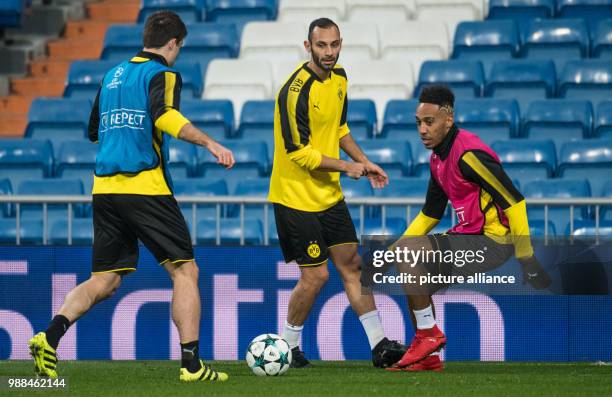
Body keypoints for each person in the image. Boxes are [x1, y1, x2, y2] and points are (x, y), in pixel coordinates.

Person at [28, 11, 235, 382]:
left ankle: (50, 335)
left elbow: (95, 130)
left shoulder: (112, 76)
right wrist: (209, 142)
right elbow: (164, 116)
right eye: (179, 48)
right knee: (185, 271)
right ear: (173, 43)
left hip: (105, 189)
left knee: (105, 280)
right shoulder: (164, 74)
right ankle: (192, 366)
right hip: (144, 186)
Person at [268, 17, 406, 369]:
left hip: (329, 197)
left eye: (334, 45)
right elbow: (299, 153)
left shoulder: (340, 78)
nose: (328, 52)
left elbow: (340, 129)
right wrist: (347, 168)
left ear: (340, 43)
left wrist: (365, 161)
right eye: (321, 45)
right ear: (308, 46)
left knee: (353, 267)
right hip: (295, 199)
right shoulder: (294, 91)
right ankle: (287, 347)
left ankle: (378, 346)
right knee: (316, 276)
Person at [384, 85, 550, 372]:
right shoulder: (437, 157)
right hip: (467, 237)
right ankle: (429, 358)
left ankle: (428, 335)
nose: (422, 130)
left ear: (448, 120)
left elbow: (515, 204)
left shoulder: (469, 154)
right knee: (415, 282)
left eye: (429, 122)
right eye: (419, 123)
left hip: (492, 242)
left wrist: (526, 258)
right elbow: (430, 213)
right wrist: (394, 248)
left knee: (407, 257)